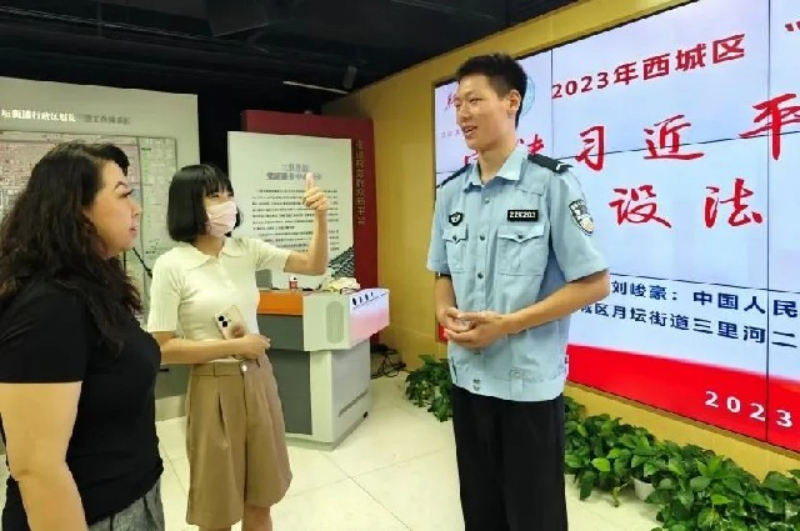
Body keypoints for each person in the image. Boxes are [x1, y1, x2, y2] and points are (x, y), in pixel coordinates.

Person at [427, 53, 611, 531]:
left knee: (534, 518)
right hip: (468, 380)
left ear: (511, 102)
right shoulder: (451, 192)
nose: (462, 114)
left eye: (474, 101)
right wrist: (444, 310)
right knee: (481, 511)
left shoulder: (551, 183)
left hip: (526, 386)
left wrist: (507, 326)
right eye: (457, 103)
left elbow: (595, 283)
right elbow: (442, 272)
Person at [147, 163, 329, 531]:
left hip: (258, 379)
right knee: (217, 508)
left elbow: (314, 265)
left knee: (261, 500)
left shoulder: (246, 249)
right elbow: (162, 347)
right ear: (189, 204)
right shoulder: (172, 265)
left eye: (228, 194)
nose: (227, 203)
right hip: (212, 385)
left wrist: (321, 218)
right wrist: (233, 346)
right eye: (215, 196)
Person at [0, 142, 165, 530]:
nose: (136, 208)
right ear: (77, 208)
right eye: (123, 195)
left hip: (133, 499)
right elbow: (37, 466)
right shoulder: (48, 305)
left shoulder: (95, 282)